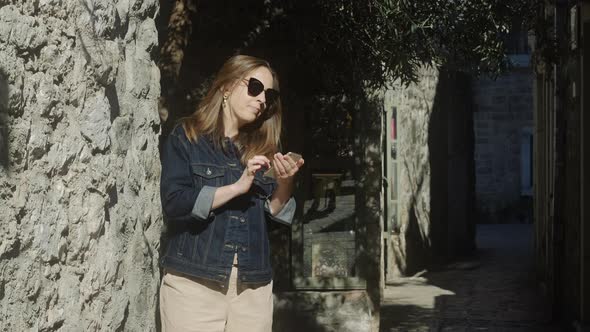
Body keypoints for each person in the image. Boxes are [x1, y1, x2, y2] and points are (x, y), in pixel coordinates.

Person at [159, 55, 304, 332]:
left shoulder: (265, 151)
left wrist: (285, 182)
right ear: (226, 88)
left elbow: (275, 217)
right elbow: (175, 203)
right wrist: (238, 186)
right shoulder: (187, 136)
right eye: (254, 87)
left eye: (269, 94)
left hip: (252, 289)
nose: (262, 99)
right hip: (194, 284)